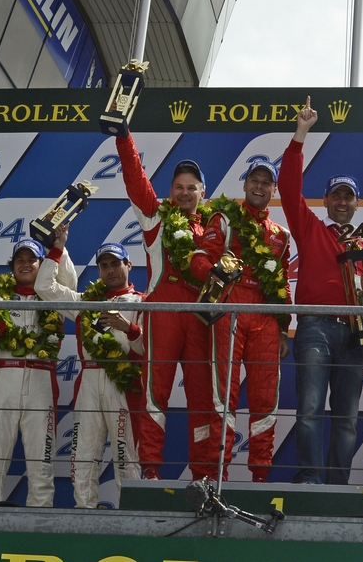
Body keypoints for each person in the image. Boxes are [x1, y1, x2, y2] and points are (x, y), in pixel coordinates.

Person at [280, 96, 363, 485]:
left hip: (354, 335)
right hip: (315, 328)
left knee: (347, 419)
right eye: (336, 195)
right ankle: (310, 478)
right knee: (308, 410)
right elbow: (289, 190)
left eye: (349, 196)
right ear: (326, 201)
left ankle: (338, 485)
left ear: (357, 204)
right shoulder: (310, 230)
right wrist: (300, 134)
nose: (342, 202)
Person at [114, 132, 214, 479]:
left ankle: (203, 473)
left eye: (192, 187)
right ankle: (151, 471)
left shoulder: (217, 228)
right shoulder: (156, 215)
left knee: (203, 398)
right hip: (163, 311)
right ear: (170, 192)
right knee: (155, 395)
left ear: (204, 194)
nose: (184, 193)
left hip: (201, 316)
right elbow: (134, 176)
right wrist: (123, 137)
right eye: (179, 187)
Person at [190, 158, 293, 482]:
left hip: (265, 319)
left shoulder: (281, 235)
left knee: (265, 399)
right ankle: (220, 475)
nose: (259, 187)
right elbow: (198, 261)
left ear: (273, 190)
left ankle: (260, 477)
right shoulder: (224, 220)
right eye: (255, 181)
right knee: (224, 398)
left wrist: (283, 328)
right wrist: (219, 274)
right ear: (245, 184)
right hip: (229, 314)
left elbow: (282, 285)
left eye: (266, 182)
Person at [34, 228, 144, 508]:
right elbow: (44, 288)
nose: (110, 270)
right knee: (83, 455)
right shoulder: (87, 301)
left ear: (128, 265)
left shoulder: (143, 301)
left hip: (123, 384)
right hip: (89, 383)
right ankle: (84, 513)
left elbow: (148, 350)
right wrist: (57, 249)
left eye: (115, 264)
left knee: (126, 455)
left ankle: (131, 518)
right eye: (104, 265)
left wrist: (129, 328)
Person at [0, 234, 67, 507]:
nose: (26, 264)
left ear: (44, 266)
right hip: (3, 382)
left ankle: (39, 522)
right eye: (20, 260)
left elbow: (68, 278)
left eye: (33, 259)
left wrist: (59, 245)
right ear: (12, 266)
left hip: (41, 384)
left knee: (42, 465)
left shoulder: (56, 298)